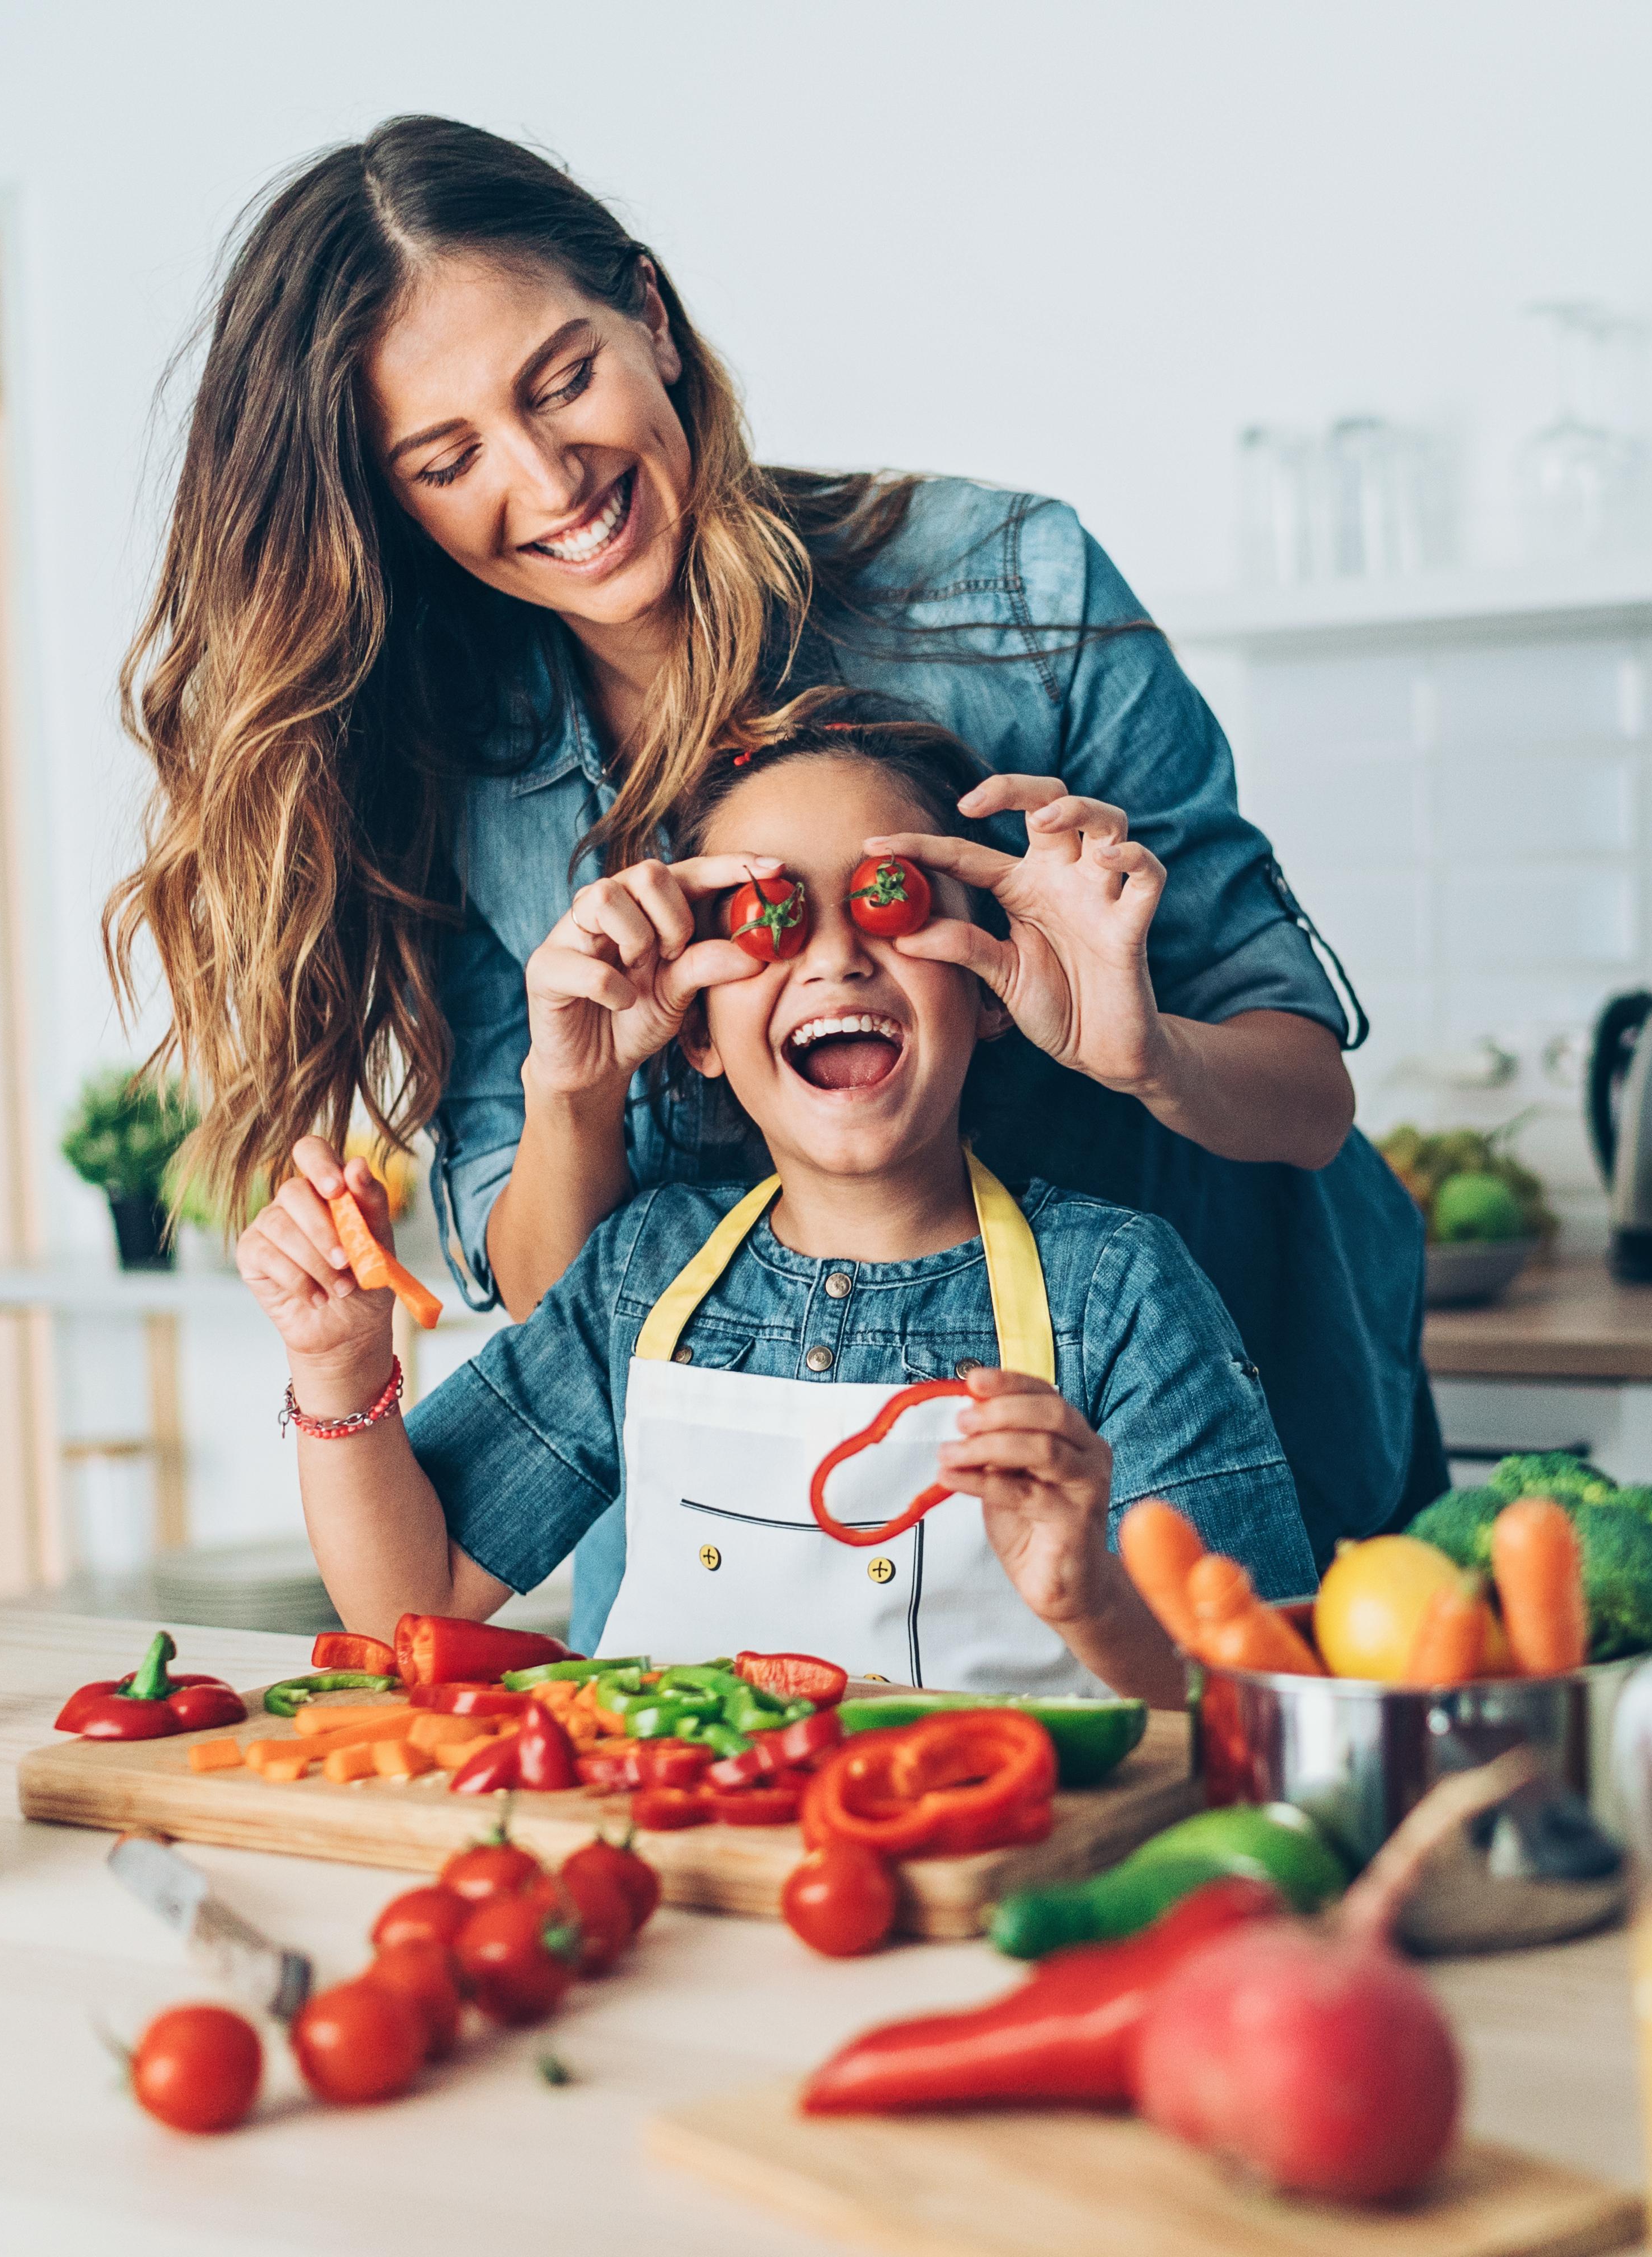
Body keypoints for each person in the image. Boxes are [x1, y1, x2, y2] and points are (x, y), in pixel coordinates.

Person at [108, 115, 1438, 1645]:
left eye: (563, 380)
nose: (547, 478)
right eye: (448, 458)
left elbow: (1304, 1096)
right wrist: (573, 1089)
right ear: (390, 499)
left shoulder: (1013, 589)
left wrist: (1143, 1052)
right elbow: (559, 1305)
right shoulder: (440, 759)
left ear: (651, 318)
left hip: (1160, 1465)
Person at [235, 697, 1312, 1703]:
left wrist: (1091, 1601)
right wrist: (337, 1366)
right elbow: (410, 1601)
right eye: (769, 919)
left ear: (989, 983)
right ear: (696, 1029)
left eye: (893, 900)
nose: (838, 957)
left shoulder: (1118, 1290)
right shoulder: (641, 1268)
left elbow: (1261, 1697)